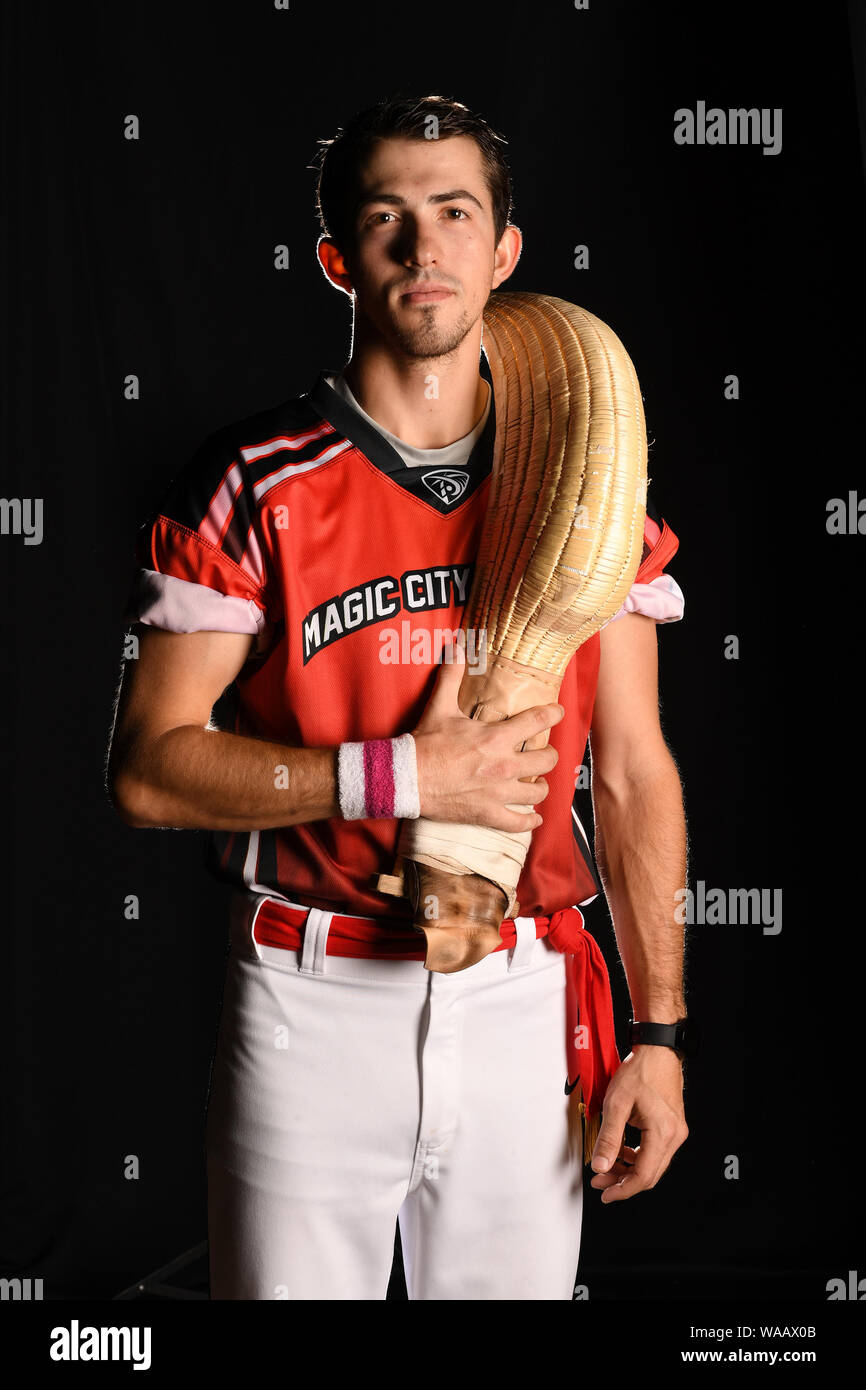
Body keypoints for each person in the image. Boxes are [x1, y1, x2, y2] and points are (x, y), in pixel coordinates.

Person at [106, 93, 690, 1301]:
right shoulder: (251, 482)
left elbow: (631, 769)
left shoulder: (586, 480)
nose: (425, 250)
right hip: (313, 995)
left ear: (504, 252)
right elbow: (151, 770)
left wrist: (659, 1035)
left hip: (524, 993)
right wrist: (401, 775)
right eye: (387, 219)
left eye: (455, 214)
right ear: (337, 258)